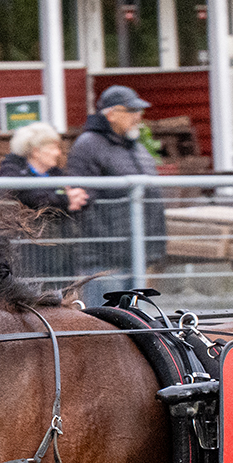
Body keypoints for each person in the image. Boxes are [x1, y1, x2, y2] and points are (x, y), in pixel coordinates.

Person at [66, 85, 165, 303]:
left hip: (136, 252)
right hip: (105, 258)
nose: (138, 117)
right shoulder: (89, 145)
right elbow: (81, 197)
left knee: (135, 323)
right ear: (111, 114)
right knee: (104, 323)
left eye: (139, 111)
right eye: (131, 111)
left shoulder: (134, 145)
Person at [0, 122, 88, 283]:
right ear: (36, 151)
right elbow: (31, 196)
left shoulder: (56, 174)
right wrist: (65, 199)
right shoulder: (11, 171)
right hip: (27, 253)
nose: (58, 152)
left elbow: (47, 197)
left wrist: (73, 199)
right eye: (53, 147)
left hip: (60, 252)